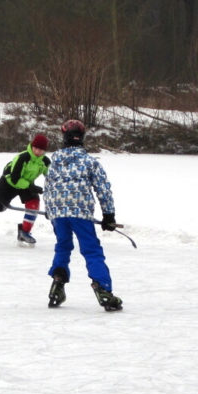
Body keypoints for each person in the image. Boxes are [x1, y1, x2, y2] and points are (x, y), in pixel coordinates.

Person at [43, 119, 122, 311]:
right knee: (91, 250)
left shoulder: (55, 162)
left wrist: (50, 211)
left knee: (63, 246)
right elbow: (103, 189)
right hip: (79, 212)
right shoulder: (89, 162)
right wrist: (109, 215)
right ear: (82, 138)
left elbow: (48, 186)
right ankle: (103, 289)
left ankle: (57, 286)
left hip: (58, 212)